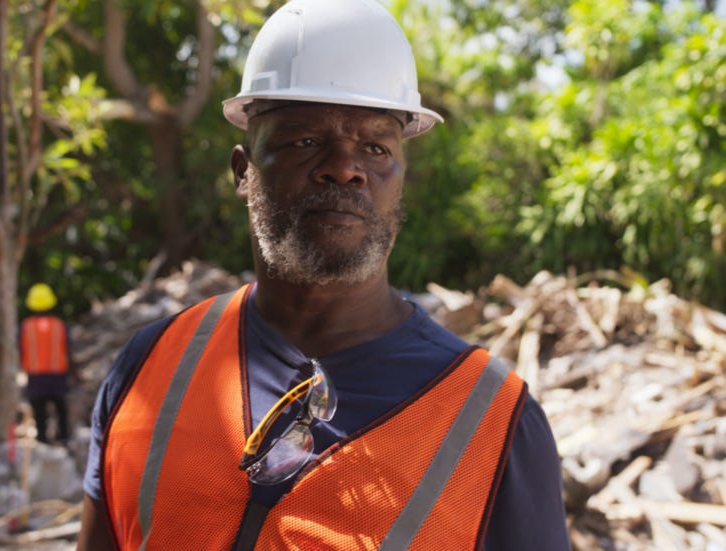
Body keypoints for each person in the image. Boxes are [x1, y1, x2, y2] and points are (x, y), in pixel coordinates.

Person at [80, 0, 571, 548]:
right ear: (244, 172)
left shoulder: (494, 423)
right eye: (306, 141)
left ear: (400, 179)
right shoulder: (150, 369)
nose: (345, 166)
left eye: (375, 146)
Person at [20, 282, 73, 446]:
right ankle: (63, 439)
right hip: (57, 374)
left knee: (39, 414)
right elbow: (68, 349)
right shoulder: (59, 325)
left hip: (35, 375)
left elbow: (20, 350)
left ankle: (43, 442)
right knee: (61, 410)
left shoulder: (26, 326)